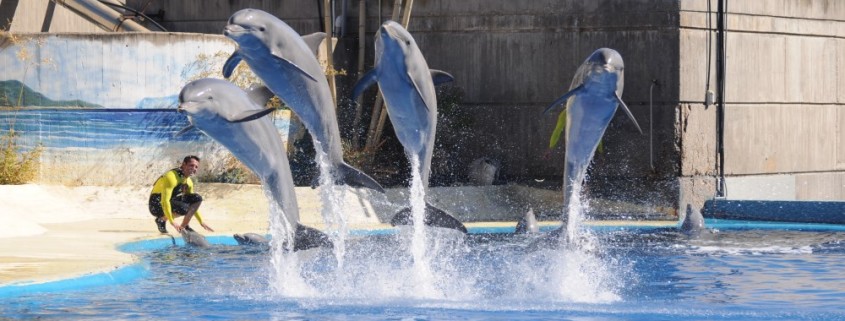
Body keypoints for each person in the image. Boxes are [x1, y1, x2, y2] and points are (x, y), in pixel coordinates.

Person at [148, 155, 214, 233]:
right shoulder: (171, 177)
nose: (194, 168)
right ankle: (162, 219)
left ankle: (183, 224)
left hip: (170, 201)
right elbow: (164, 201)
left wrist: (201, 221)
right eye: (191, 165)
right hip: (156, 204)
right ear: (183, 164)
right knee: (184, 208)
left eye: (196, 167)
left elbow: (193, 205)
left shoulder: (189, 182)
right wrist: (172, 222)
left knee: (197, 198)